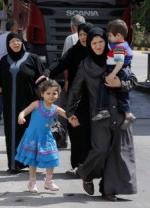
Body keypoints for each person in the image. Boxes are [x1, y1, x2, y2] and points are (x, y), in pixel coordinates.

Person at [66, 27, 137, 201]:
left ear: (106, 42)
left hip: (120, 113)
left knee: (118, 153)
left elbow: (132, 80)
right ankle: (85, 173)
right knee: (101, 149)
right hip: (99, 115)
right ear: (89, 45)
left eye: (101, 42)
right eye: (94, 42)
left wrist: (119, 83)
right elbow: (75, 90)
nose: (98, 46)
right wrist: (70, 112)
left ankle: (108, 190)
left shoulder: (116, 57)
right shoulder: (85, 64)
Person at [39, 23, 94, 176]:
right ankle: (77, 165)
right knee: (75, 130)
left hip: (94, 98)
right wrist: (48, 72)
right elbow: (61, 62)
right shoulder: (74, 51)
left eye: (86, 34)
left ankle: (91, 166)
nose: (83, 37)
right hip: (76, 97)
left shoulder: (97, 51)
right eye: (81, 34)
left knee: (91, 133)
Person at [0, 32, 49, 173]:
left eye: (18, 41)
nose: (15, 44)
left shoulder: (32, 58)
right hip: (9, 104)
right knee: (12, 132)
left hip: (28, 104)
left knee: (28, 132)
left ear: (22, 42)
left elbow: (43, 78)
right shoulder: (4, 60)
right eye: (12, 41)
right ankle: (13, 164)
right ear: (8, 44)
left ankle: (29, 163)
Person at [15, 79, 79, 192]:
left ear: (58, 95)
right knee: (32, 160)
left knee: (52, 158)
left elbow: (67, 115)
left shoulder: (56, 108)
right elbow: (24, 112)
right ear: (42, 94)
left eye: (54, 93)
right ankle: (32, 183)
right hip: (33, 137)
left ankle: (48, 182)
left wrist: (72, 119)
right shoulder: (36, 104)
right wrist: (21, 116)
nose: (51, 96)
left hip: (47, 137)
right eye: (48, 93)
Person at [92, 19, 136, 130]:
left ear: (119, 35)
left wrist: (112, 74)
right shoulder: (122, 44)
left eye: (110, 36)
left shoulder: (119, 47)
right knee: (122, 95)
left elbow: (120, 62)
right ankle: (128, 114)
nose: (109, 38)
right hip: (121, 70)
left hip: (118, 70)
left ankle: (103, 110)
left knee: (104, 85)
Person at [56, 14, 85, 148]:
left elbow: (65, 62)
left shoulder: (71, 38)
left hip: (73, 81)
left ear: (72, 27)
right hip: (87, 81)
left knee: (65, 108)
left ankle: (62, 140)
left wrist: (66, 81)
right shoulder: (93, 38)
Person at [0, 20, 19, 125]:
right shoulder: (15, 39)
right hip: (10, 70)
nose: (18, 28)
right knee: (11, 95)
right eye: (17, 26)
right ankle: (12, 117)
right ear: (12, 27)